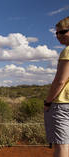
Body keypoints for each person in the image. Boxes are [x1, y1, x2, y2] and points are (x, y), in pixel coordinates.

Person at [44, 16, 69, 157]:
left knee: (62, 146)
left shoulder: (67, 51)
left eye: (63, 32)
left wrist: (48, 102)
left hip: (63, 104)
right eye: (57, 33)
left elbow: (60, 81)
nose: (59, 36)